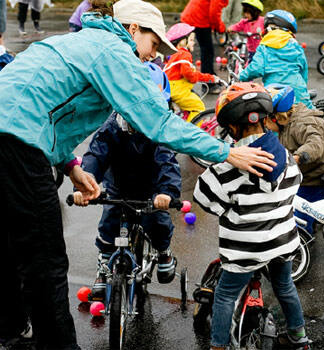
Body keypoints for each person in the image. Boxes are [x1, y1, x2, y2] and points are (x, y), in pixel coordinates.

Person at [0, 0, 276, 347]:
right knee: (45, 262)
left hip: (13, 141)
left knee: (12, 247)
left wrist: (71, 166)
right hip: (17, 150)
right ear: (132, 29)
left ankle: (9, 330)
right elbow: (157, 122)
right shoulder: (113, 51)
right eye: (153, 44)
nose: (153, 55)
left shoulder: (78, 41)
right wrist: (227, 151)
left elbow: (36, 109)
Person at [193, 82, 311, 350]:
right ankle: (299, 336)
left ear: (232, 127)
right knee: (284, 287)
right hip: (282, 242)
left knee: (225, 295)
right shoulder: (288, 160)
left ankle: (219, 345)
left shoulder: (226, 167)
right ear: (266, 120)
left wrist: (231, 211)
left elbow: (204, 197)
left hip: (243, 249)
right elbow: (294, 186)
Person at [72, 62, 180, 300]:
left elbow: (167, 161)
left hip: (152, 190)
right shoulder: (111, 127)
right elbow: (95, 156)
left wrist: (167, 192)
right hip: (119, 187)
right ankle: (103, 266)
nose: (140, 116)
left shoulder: (160, 130)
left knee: (159, 223)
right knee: (109, 225)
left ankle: (163, 252)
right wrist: (85, 185)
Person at [264, 84, 324, 232]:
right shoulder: (286, 124)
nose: (266, 127)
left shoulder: (303, 123)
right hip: (307, 172)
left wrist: (298, 157)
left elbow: (315, 144)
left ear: (276, 117)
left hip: (319, 174)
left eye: (265, 122)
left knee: (302, 213)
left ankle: (305, 239)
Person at [239, 10, 313, 109]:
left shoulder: (265, 46)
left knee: (270, 120)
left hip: (274, 93)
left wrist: (241, 77)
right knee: (310, 118)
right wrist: (302, 88)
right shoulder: (295, 45)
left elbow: (256, 68)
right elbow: (303, 71)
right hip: (298, 91)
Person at [164, 22, 219, 121]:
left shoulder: (175, 54)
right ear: (182, 41)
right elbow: (188, 73)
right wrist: (196, 78)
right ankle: (193, 131)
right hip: (178, 90)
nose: (194, 43)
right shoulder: (184, 54)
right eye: (191, 40)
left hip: (171, 88)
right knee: (198, 107)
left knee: (188, 108)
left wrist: (209, 78)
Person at [181, 0, 228, 93]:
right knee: (207, 51)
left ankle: (210, 76)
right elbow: (214, 13)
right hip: (199, 20)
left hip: (193, 16)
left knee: (205, 50)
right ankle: (208, 84)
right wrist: (220, 27)